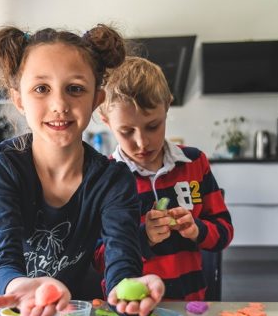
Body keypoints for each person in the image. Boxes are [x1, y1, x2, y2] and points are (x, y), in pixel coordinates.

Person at [0, 26, 165, 316]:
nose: (59, 105)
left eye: (75, 89)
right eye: (41, 89)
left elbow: (121, 262)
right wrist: (20, 287)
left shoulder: (113, 180)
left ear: (96, 99)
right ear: (19, 99)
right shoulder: (1, 164)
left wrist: (129, 290)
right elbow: (2, 254)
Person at [96, 56, 234, 301]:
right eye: (127, 131)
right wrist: (142, 236)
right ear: (106, 122)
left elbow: (224, 232)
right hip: (131, 307)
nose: (142, 142)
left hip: (190, 301)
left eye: (153, 126)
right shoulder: (105, 177)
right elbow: (97, 257)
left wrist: (196, 229)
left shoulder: (194, 163)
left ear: (167, 108)